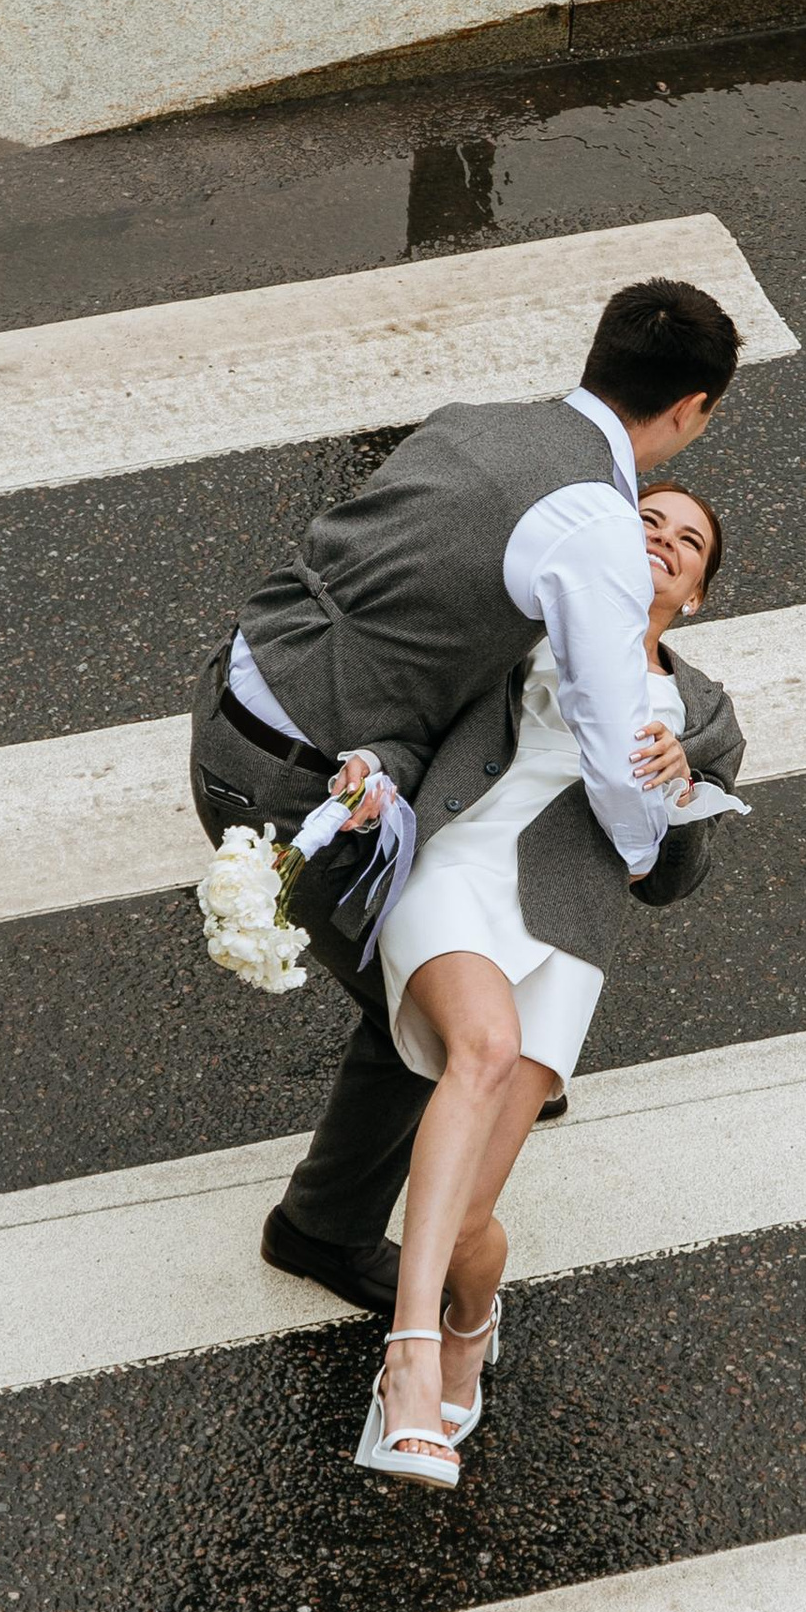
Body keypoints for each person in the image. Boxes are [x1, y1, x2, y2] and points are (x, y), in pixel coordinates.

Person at [187, 275, 742, 1314]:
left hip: (238, 689)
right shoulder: (595, 527)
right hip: (301, 774)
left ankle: (493, 1081)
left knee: (452, 991)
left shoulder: (474, 423)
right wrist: (641, 854)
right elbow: (611, 728)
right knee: (422, 1006)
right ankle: (323, 1228)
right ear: (690, 410)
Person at [358, 484, 743, 1485]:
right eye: (648, 521)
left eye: (688, 542)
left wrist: (677, 789)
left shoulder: (703, 713)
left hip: (569, 926)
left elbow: (670, 883)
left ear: (697, 594)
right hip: (461, 865)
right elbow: (423, 717)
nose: (663, 542)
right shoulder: (528, 626)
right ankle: (407, 1365)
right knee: (482, 1045)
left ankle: (471, 1317)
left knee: (466, 1224)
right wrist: (371, 772)